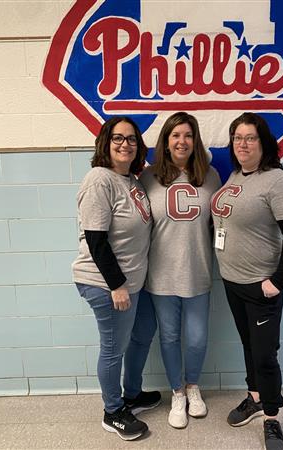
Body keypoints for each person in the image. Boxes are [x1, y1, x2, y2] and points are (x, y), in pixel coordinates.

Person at [210, 112, 283, 450]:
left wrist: (278, 281)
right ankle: (254, 397)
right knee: (249, 346)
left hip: (259, 285)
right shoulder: (237, 175)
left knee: (265, 354)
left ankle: (272, 417)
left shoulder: (277, 182)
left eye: (251, 138)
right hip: (232, 280)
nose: (243, 144)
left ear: (264, 143)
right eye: (238, 138)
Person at [72, 116, 161, 441]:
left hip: (132, 283)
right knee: (113, 348)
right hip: (105, 283)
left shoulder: (132, 181)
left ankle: (132, 394)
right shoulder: (99, 180)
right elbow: (96, 240)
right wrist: (117, 285)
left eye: (132, 139)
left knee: (143, 333)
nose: (125, 144)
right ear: (105, 144)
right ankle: (112, 411)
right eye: (118, 138)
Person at [139, 112, 221, 429]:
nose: (181, 141)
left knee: (198, 339)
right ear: (166, 141)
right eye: (175, 135)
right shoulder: (149, 177)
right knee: (170, 337)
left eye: (187, 135)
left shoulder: (210, 176)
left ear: (195, 140)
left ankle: (192, 386)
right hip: (160, 275)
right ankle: (176, 392)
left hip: (198, 271)